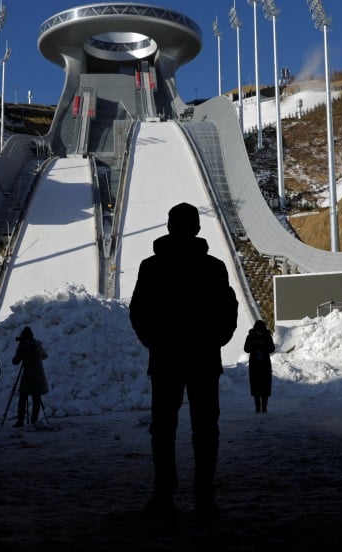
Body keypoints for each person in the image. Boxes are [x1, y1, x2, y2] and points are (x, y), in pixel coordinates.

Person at [130, 202, 238, 521]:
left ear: (169, 227)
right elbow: (228, 308)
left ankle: (164, 493)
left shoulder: (151, 267)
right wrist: (217, 339)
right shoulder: (213, 267)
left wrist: (154, 342)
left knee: (163, 429)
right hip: (203, 359)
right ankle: (204, 497)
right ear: (197, 229)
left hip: (165, 360)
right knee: (205, 429)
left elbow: (139, 311)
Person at [11, 326, 48, 428]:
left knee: (23, 397)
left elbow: (15, 362)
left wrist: (20, 350)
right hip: (39, 376)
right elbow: (45, 356)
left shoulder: (23, 348)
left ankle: (20, 420)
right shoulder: (37, 345)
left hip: (28, 376)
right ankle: (34, 420)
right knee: (36, 398)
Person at [243, 319, 275, 413]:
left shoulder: (251, 336)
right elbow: (272, 349)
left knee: (256, 386)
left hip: (254, 365)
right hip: (265, 365)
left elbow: (246, 349)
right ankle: (264, 408)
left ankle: (257, 408)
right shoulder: (267, 336)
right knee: (265, 386)